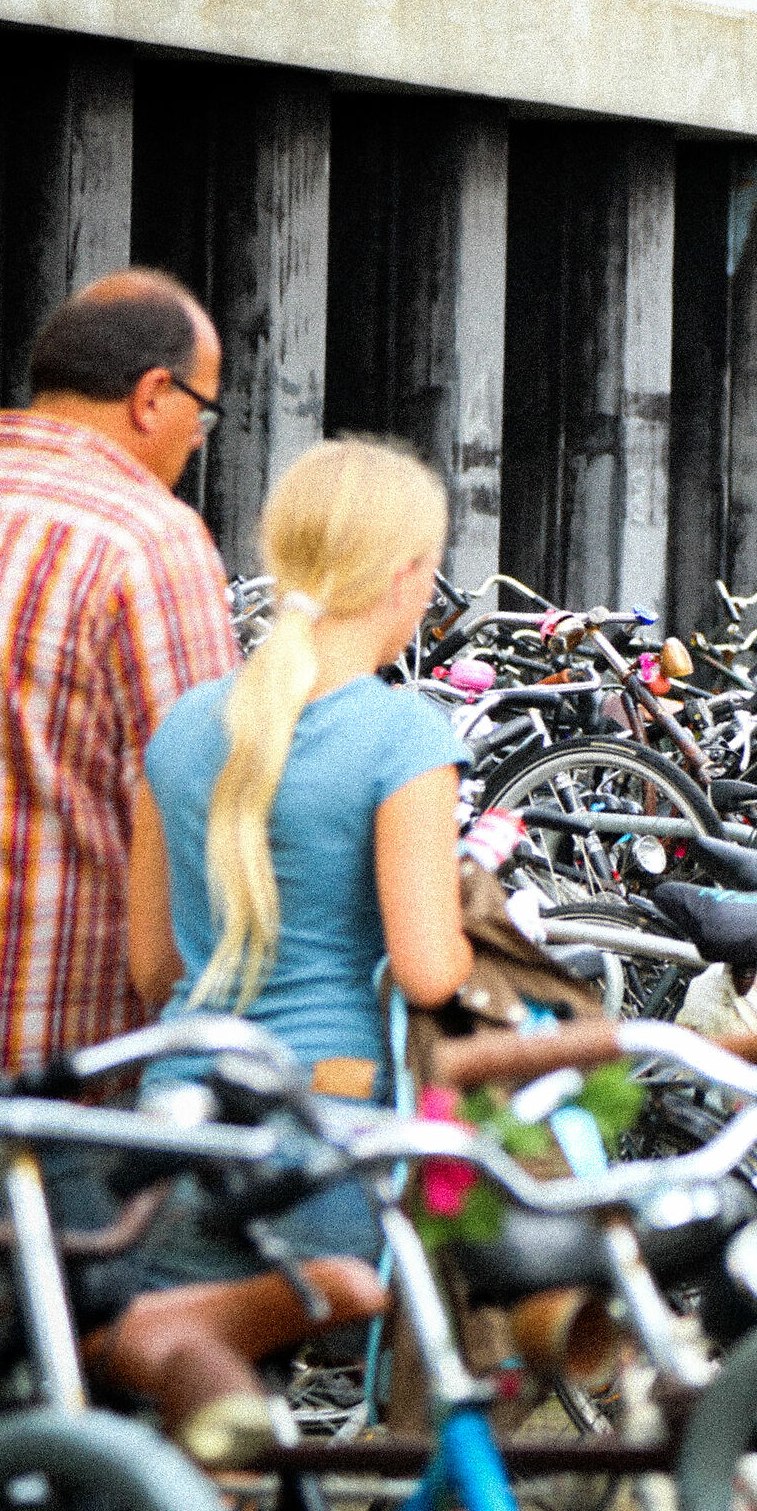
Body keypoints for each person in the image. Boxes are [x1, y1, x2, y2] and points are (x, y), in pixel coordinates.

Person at [129, 438, 475, 1122]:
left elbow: (155, 968)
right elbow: (429, 971)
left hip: (175, 1102)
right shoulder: (405, 737)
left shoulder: (180, 727)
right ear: (405, 579)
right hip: (329, 1104)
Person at [0, 270, 238, 1082]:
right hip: (53, 1070)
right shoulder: (146, 542)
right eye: (205, 412)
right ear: (154, 395)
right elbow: (202, 819)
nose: (199, 438)